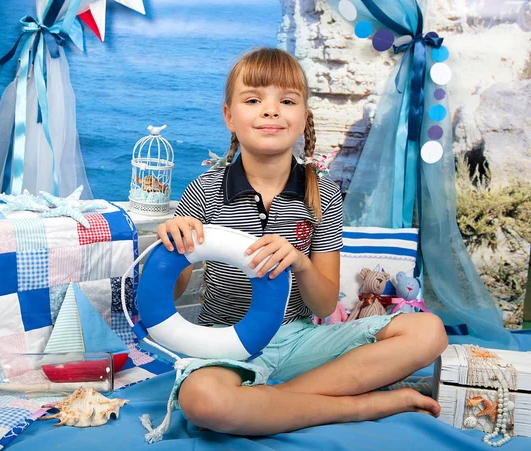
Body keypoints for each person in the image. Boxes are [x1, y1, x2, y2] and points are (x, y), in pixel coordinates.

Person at [156, 47, 448, 436]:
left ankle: (272, 402)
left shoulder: (322, 194)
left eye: (287, 101)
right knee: (203, 401)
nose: (271, 110)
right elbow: (172, 292)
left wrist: (301, 262)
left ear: (303, 119)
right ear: (229, 116)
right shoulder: (204, 191)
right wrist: (171, 246)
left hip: (297, 341)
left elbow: (324, 304)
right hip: (225, 343)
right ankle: (358, 406)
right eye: (253, 100)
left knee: (429, 332)